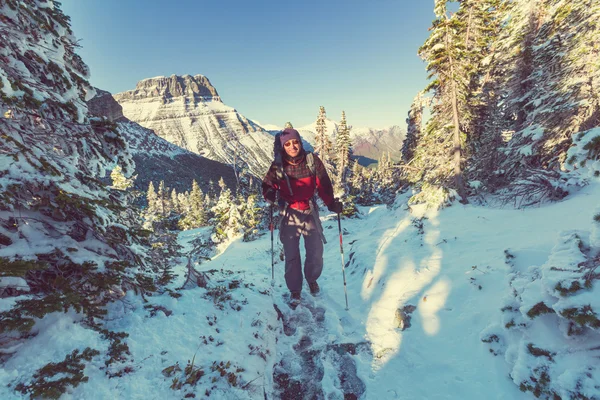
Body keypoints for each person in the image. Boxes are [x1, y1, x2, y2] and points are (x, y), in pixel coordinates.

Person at [262, 128, 342, 302]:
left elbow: (324, 185)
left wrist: (331, 204)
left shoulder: (312, 161)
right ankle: (295, 289)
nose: (292, 146)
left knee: (315, 250)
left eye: (295, 142)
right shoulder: (278, 165)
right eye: (288, 144)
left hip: (309, 210)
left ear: (300, 142)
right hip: (289, 213)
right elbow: (268, 184)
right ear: (283, 146)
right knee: (291, 253)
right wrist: (269, 194)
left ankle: (311, 278)